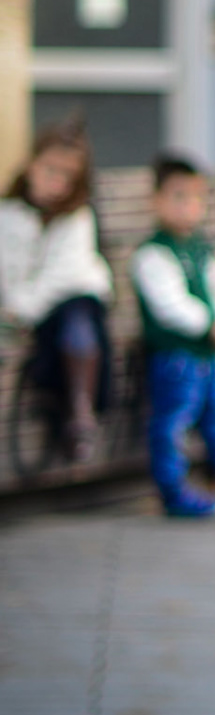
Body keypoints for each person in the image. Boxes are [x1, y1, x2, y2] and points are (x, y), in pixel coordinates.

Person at [132, 154, 215, 520]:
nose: (188, 206)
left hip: (208, 356)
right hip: (175, 357)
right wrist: (210, 325)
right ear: (156, 200)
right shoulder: (153, 254)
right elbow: (169, 305)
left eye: (196, 197)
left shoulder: (203, 249)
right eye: (178, 196)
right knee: (172, 426)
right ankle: (174, 493)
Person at [0, 122, 115, 463]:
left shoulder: (76, 217)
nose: (57, 182)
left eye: (67, 177)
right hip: (26, 310)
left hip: (74, 299)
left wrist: (20, 309)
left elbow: (61, 277)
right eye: (50, 170)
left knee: (78, 326)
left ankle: (81, 415)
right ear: (31, 165)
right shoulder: (8, 214)